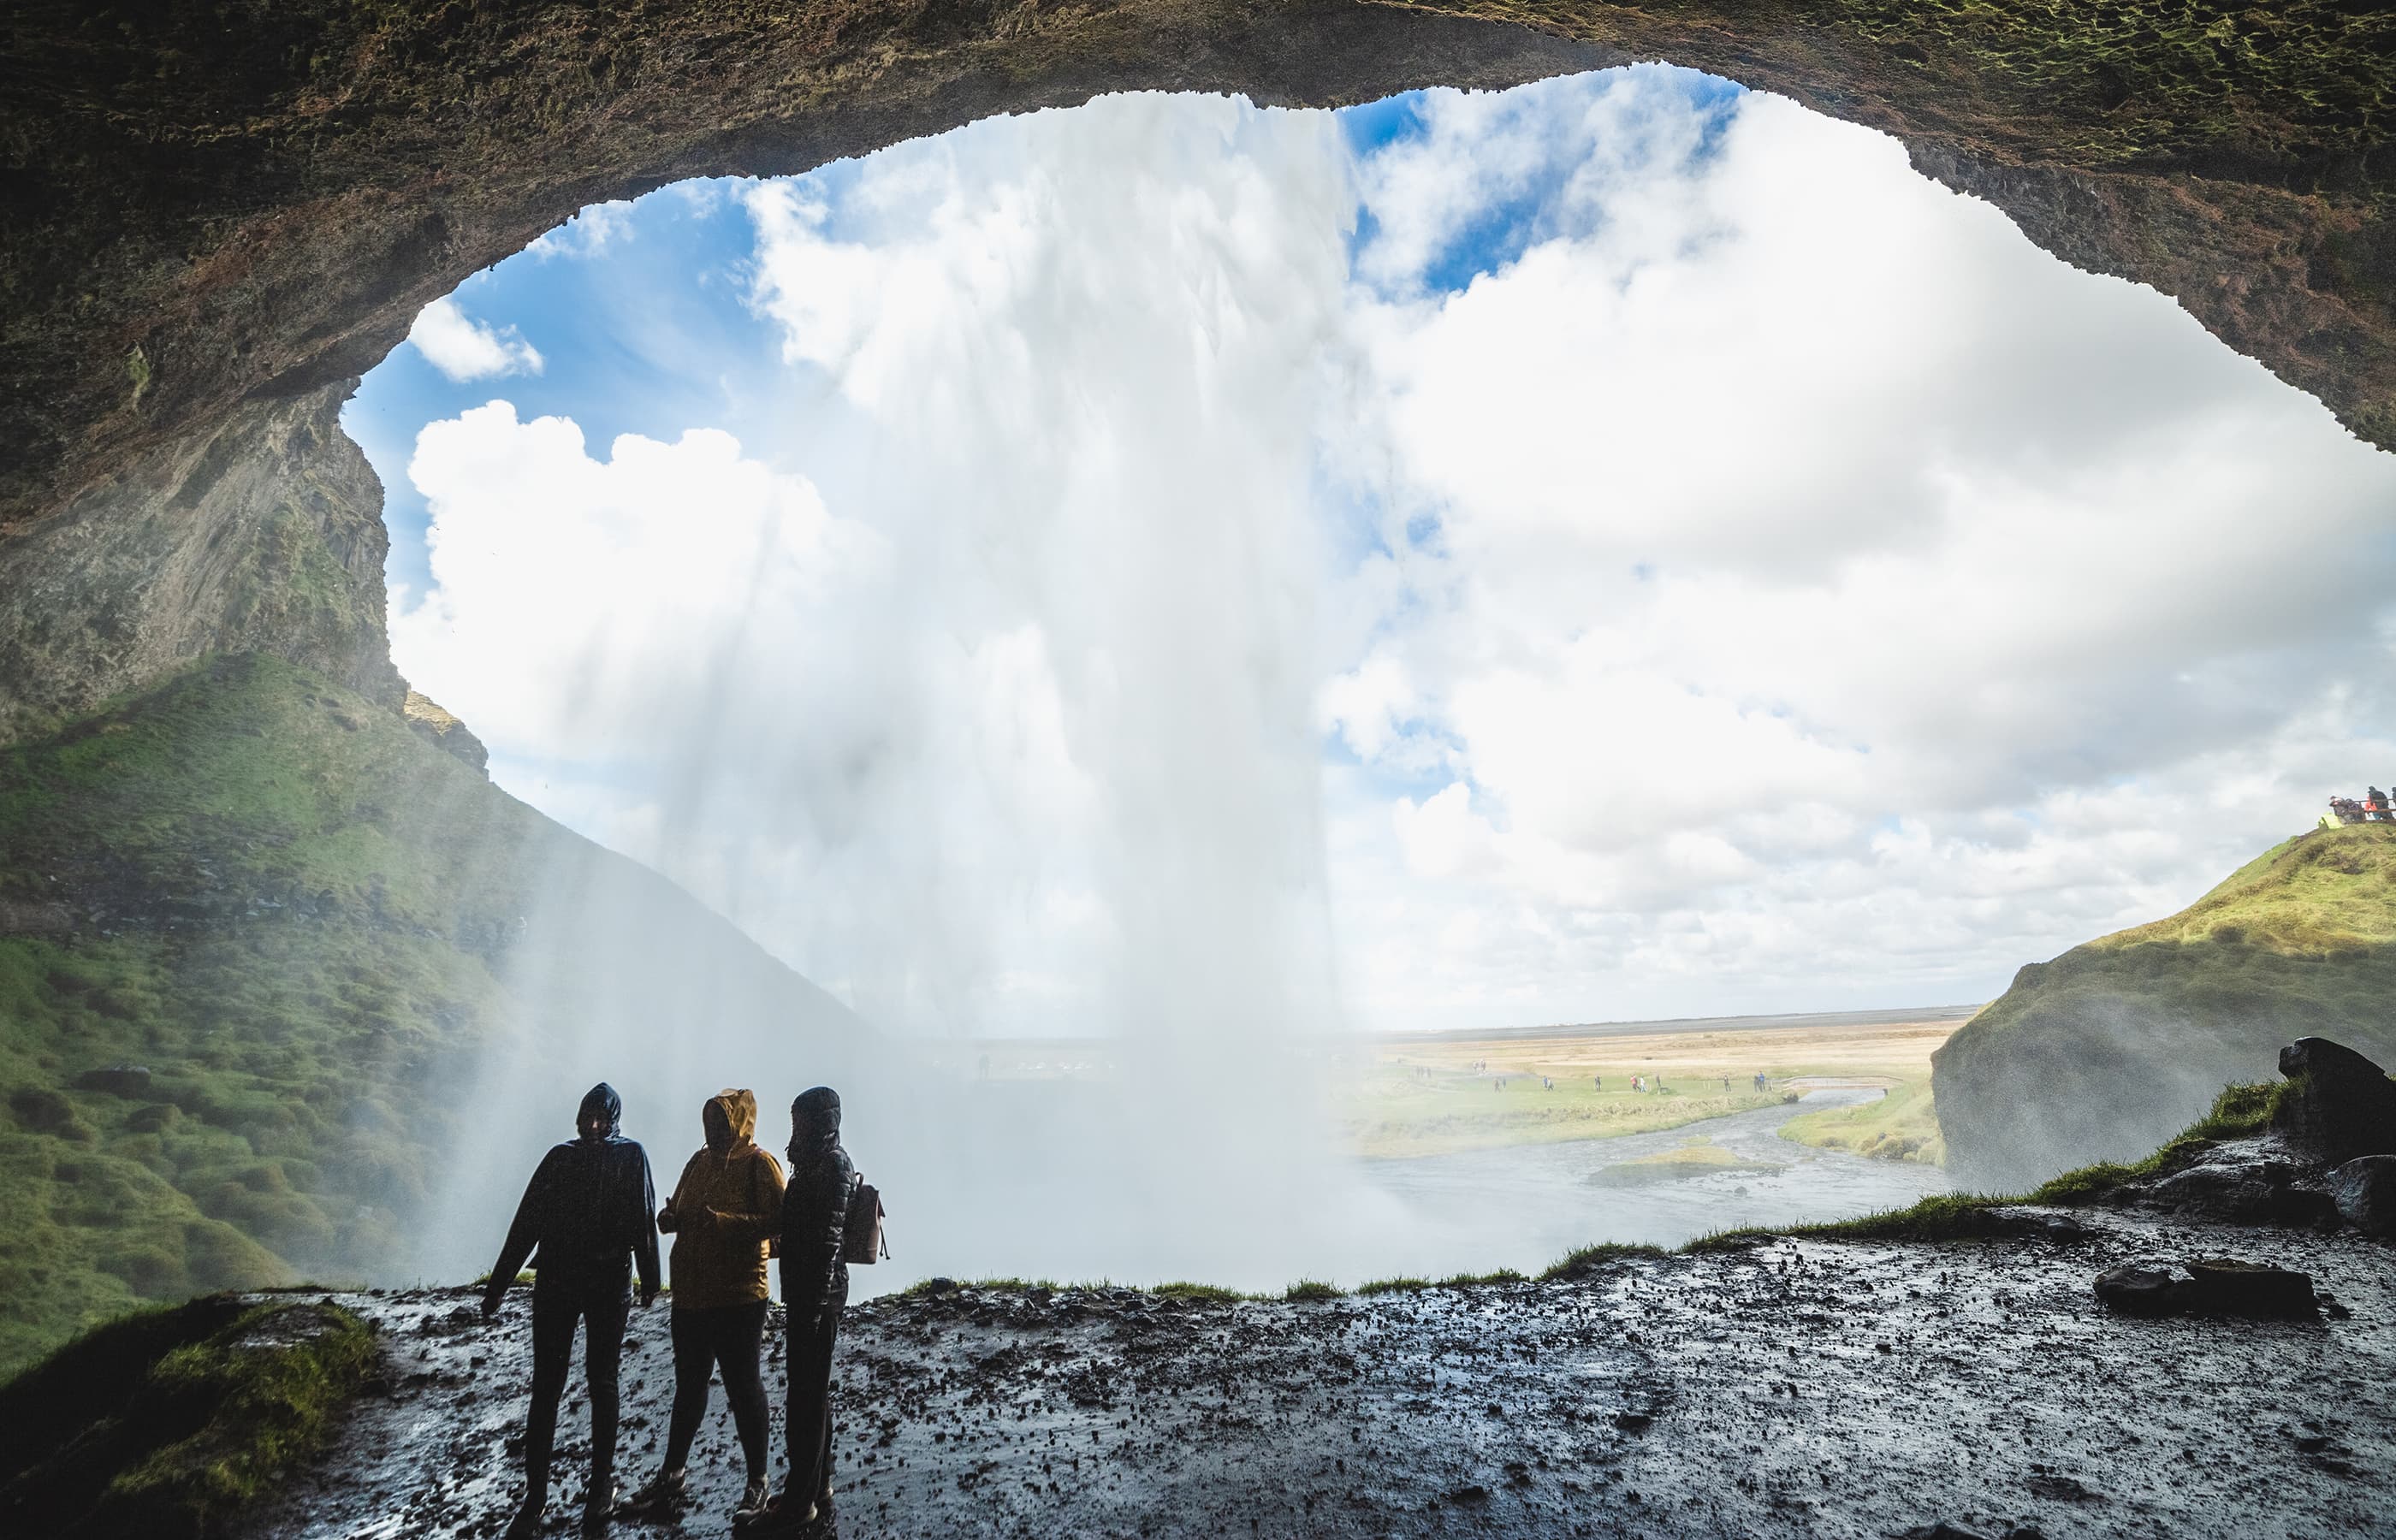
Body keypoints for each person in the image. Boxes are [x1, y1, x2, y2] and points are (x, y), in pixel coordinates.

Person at [483, 1083, 661, 1538]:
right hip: (568, 1281)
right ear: (580, 1117)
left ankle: (596, 1488)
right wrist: (499, 1284)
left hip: (596, 1283)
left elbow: (643, 1219)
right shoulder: (573, 1157)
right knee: (551, 1383)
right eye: (589, 1116)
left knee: (598, 1381)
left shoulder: (622, 1155)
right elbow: (526, 1222)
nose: (594, 1125)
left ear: (614, 1118)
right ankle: (538, 1496)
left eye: (602, 1117)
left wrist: (650, 1280)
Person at [624, 1090, 786, 1523]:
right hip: (691, 1295)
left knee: (744, 1386)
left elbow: (781, 1223)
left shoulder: (760, 1164)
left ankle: (758, 1482)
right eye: (710, 1121)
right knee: (689, 1387)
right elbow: (678, 1208)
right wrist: (669, 1220)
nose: (713, 1130)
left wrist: (728, 1224)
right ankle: (672, 1476)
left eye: (721, 1122)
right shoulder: (698, 1163)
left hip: (740, 1295)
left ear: (738, 1123)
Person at [741, 1087, 855, 1534]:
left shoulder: (830, 1164)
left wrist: (810, 1308)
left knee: (804, 1400)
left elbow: (827, 1240)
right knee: (812, 1394)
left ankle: (799, 1505)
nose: (796, 1128)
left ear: (821, 1121)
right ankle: (817, 1487)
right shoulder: (816, 1162)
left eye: (802, 1119)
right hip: (810, 1295)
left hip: (817, 1298)